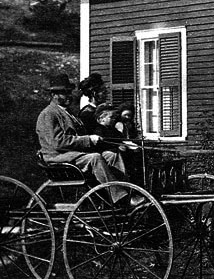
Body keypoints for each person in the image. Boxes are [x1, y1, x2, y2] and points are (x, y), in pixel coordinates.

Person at [36, 73, 139, 203]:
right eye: (64, 93)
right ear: (54, 95)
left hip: (73, 154)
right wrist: (88, 139)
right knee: (94, 158)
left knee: (112, 155)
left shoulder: (68, 112)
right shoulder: (48, 114)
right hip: (56, 156)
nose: (69, 95)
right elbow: (57, 142)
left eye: (69, 92)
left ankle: (126, 192)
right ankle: (121, 198)